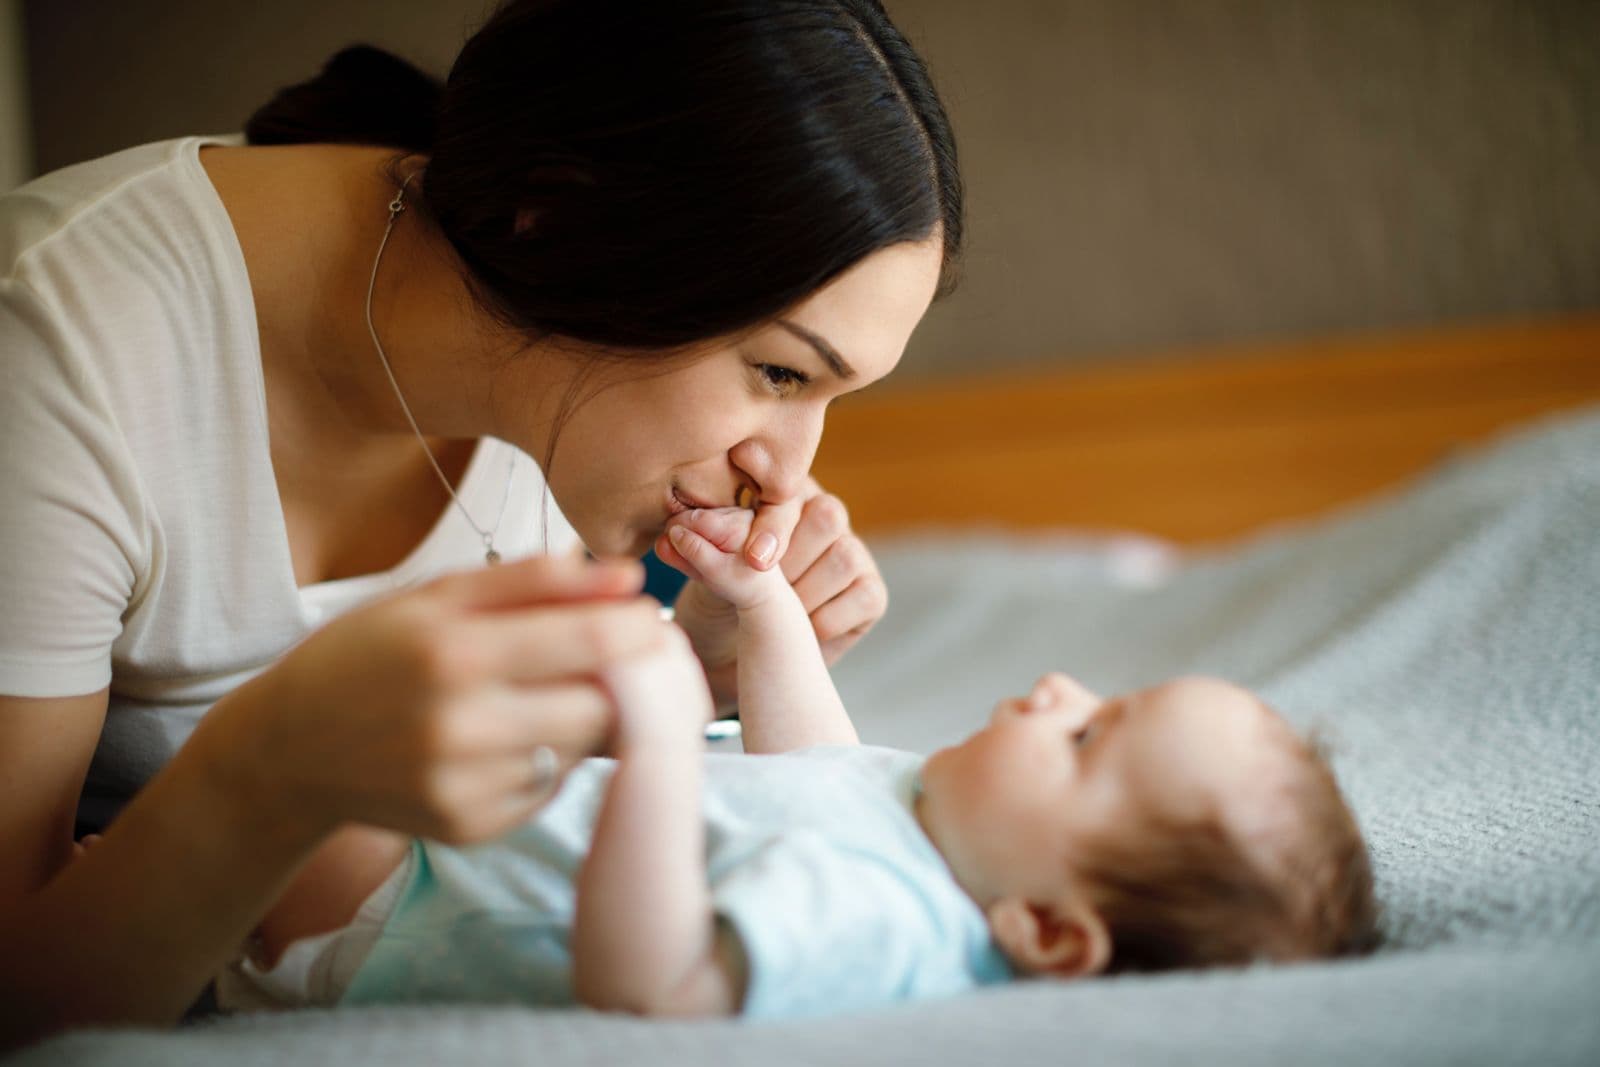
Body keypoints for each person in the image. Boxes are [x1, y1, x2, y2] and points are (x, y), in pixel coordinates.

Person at [0, 0, 962, 1047]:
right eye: (779, 371)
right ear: (566, 218)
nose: (786, 472)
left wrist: (699, 670)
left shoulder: (539, 363)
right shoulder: (53, 362)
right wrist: (269, 765)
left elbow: (472, 813)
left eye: (831, 395)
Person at [208, 504, 1379, 1016]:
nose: (1061, 690)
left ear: (1049, 931)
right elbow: (813, 761)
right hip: (465, 834)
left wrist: (666, 736)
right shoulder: (925, 829)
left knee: (295, 750)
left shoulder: (882, 922)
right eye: (1100, 698)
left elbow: (651, 984)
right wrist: (762, 605)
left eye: (1085, 739)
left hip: (400, 901)